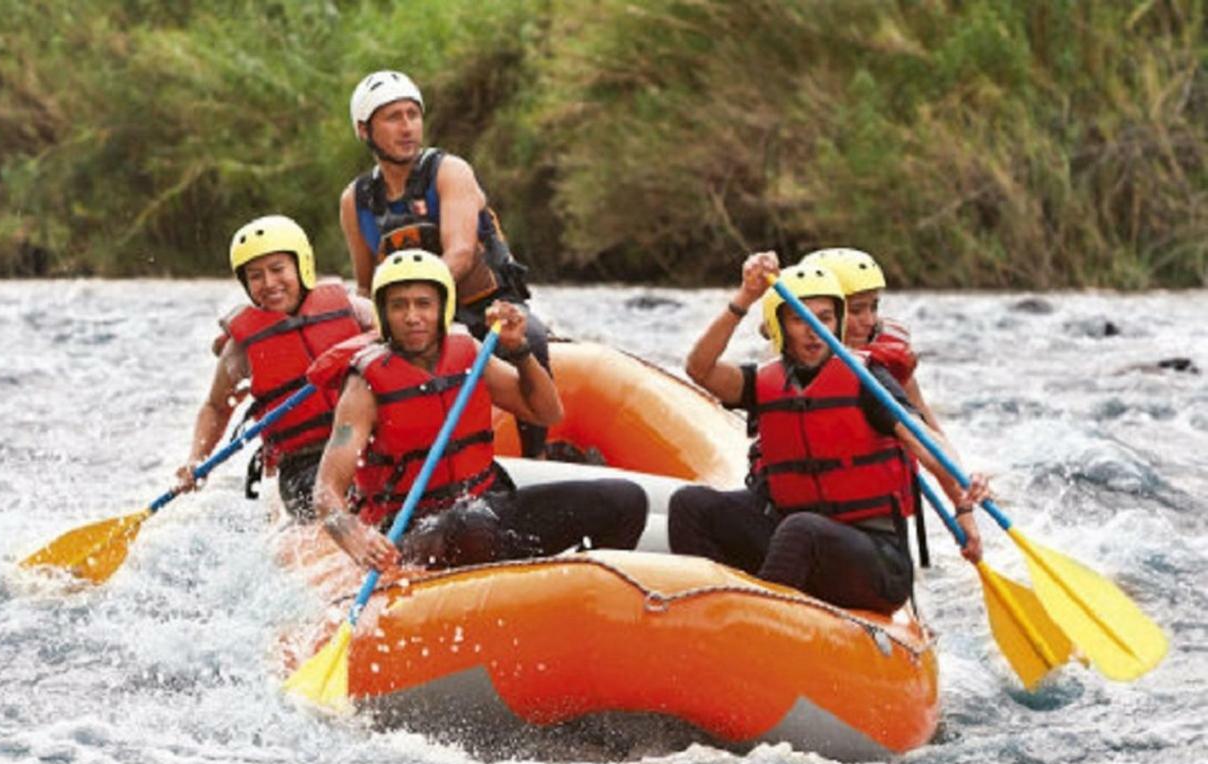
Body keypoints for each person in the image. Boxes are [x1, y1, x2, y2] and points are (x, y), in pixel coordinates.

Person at [667, 253, 988, 614]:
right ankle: (700, 614)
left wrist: (963, 493)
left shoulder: (869, 381)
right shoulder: (765, 381)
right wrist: (745, 297)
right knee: (690, 505)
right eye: (800, 320)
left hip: (875, 559)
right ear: (780, 326)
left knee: (801, 529)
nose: (813, 330)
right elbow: (699, 368)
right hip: (802, 533)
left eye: (824, 319)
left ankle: (759, 626)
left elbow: (924, 437)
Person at [310, 249, 648, 573]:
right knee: (471, 524)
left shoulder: (469, 352)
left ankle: (580, 594)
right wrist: (359, 541)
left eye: (423, 304)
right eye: (399, 306)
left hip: (486, 505)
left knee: (625, 501)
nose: (413, 317)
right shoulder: (363, 387)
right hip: (412, 531)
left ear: (442, 307)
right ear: (384, 314)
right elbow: (326, 491)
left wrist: (520, 350)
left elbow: (546, 413)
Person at [338, 69, 554, 458]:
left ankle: (535, 455)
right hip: (414, 315)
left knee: (532, 340)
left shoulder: (449, 172)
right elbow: (367, 287)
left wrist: (425, 307)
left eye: (412, 114)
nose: (407, 127)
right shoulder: (356, 201)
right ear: (364, 130)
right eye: (393, 117)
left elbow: (461, 253)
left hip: (485, 308)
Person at [175, 215, 374, 521]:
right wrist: (195, 461)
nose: (269, 283)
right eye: (255, 276)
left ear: (301, 265)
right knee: (328, 496)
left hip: (371, 447)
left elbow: (406, 337)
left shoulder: (352, 310)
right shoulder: (241, 350)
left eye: (278, 269)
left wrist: (361, 344)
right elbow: (216, 407)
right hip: (305, 465)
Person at [802, 247, 943, 433]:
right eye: (856, 310)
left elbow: (925, 420)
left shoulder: (888, 349)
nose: (869, 320)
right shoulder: (793, 353)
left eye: (874, 307)